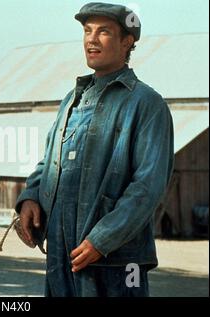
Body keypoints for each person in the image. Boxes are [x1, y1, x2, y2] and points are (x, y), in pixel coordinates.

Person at [15, 3, 174, 297]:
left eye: (104, 32)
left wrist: (102, 239)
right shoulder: (71, 100)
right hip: (63, 253)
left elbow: (148, 186)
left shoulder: (146, 104)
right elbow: (49, 162)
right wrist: (30, 197)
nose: (91, 39)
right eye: (87, 31)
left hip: (119, 261)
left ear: (127, 41)